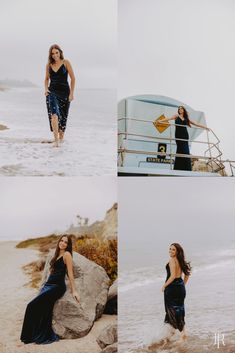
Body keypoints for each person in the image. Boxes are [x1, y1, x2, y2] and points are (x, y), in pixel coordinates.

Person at [20, 235, 79, 344]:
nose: (63, 243)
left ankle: (27, 337)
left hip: (57, 287)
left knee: (31, 305)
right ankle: (33, 335)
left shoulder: (67, 255)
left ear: (68, 245)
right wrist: (44, 285)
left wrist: (74, 291)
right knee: (43, 308)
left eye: (66, 242)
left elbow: (70, 274)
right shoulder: (56, 255)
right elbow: (51, 272)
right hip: (48, 285)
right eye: (61, 241)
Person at [160, 106, 209, 171]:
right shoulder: (176, 116)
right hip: (178, 135)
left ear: (183, 110)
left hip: (185, 135)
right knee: (180, 149)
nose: (180, 109)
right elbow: (169, 118)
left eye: (181, 108)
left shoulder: (186, 118)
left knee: (186, 150)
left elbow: (196, 124)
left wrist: (205, 127)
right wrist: (160, 121)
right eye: (179, 109)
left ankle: (187, 168)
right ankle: (178, 167)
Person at [44, 44, 75, 147]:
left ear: (60, 52)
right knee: (54, 114)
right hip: (52, 92)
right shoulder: (49, 65)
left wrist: (71, 94)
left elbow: (73, 78)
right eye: (53, 53)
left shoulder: (66, 62)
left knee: (63, 119)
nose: (55, 55)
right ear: (50, 55)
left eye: (56, 52)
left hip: (65, 93)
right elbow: (46, 79)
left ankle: (60, 140)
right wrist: (46, 89)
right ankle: (56, 141)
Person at [161, 243, 191, 342]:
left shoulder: (172, 261)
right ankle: (182, 333)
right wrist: (182, 284)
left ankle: (170, 335)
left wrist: (164, 286)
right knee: (180, 310)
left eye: (173, 249)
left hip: (171, 289)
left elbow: (173, 276)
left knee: (170, 311)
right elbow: (187, 274)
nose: (170, 251)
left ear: (177, 251)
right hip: (180, 288)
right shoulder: (181, 261)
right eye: (170, 249)